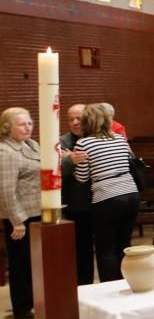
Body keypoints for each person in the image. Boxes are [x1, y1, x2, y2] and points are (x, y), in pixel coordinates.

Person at [72, 104, 140, 283]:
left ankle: (109, 288)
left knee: (106, 247)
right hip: (131, 193)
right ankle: (126, 282)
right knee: (124, 244)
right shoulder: (119, 138)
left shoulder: (84, 143)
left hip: (107, 197)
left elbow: (82, 177)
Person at [0, 107, 40, 319]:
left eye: (30, 123)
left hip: (36, 211)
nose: (28, 127)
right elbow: (6, 190)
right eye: (22, 124)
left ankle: (35, 300)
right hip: (20, 216)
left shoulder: (31, 145)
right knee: (21, 263)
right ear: (8, 128)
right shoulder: (6, 152)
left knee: (34, 260)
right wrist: (17, 220)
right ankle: (23, 306)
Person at [60, 104, 95, 285]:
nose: (75, 123)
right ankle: (84, 286)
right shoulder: (62, 142)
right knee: (82, 250)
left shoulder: (98, 138)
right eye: (70, 119)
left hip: (100, 201)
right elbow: (57, 172)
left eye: (79, 118)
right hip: (77, 204)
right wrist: (69, 160)